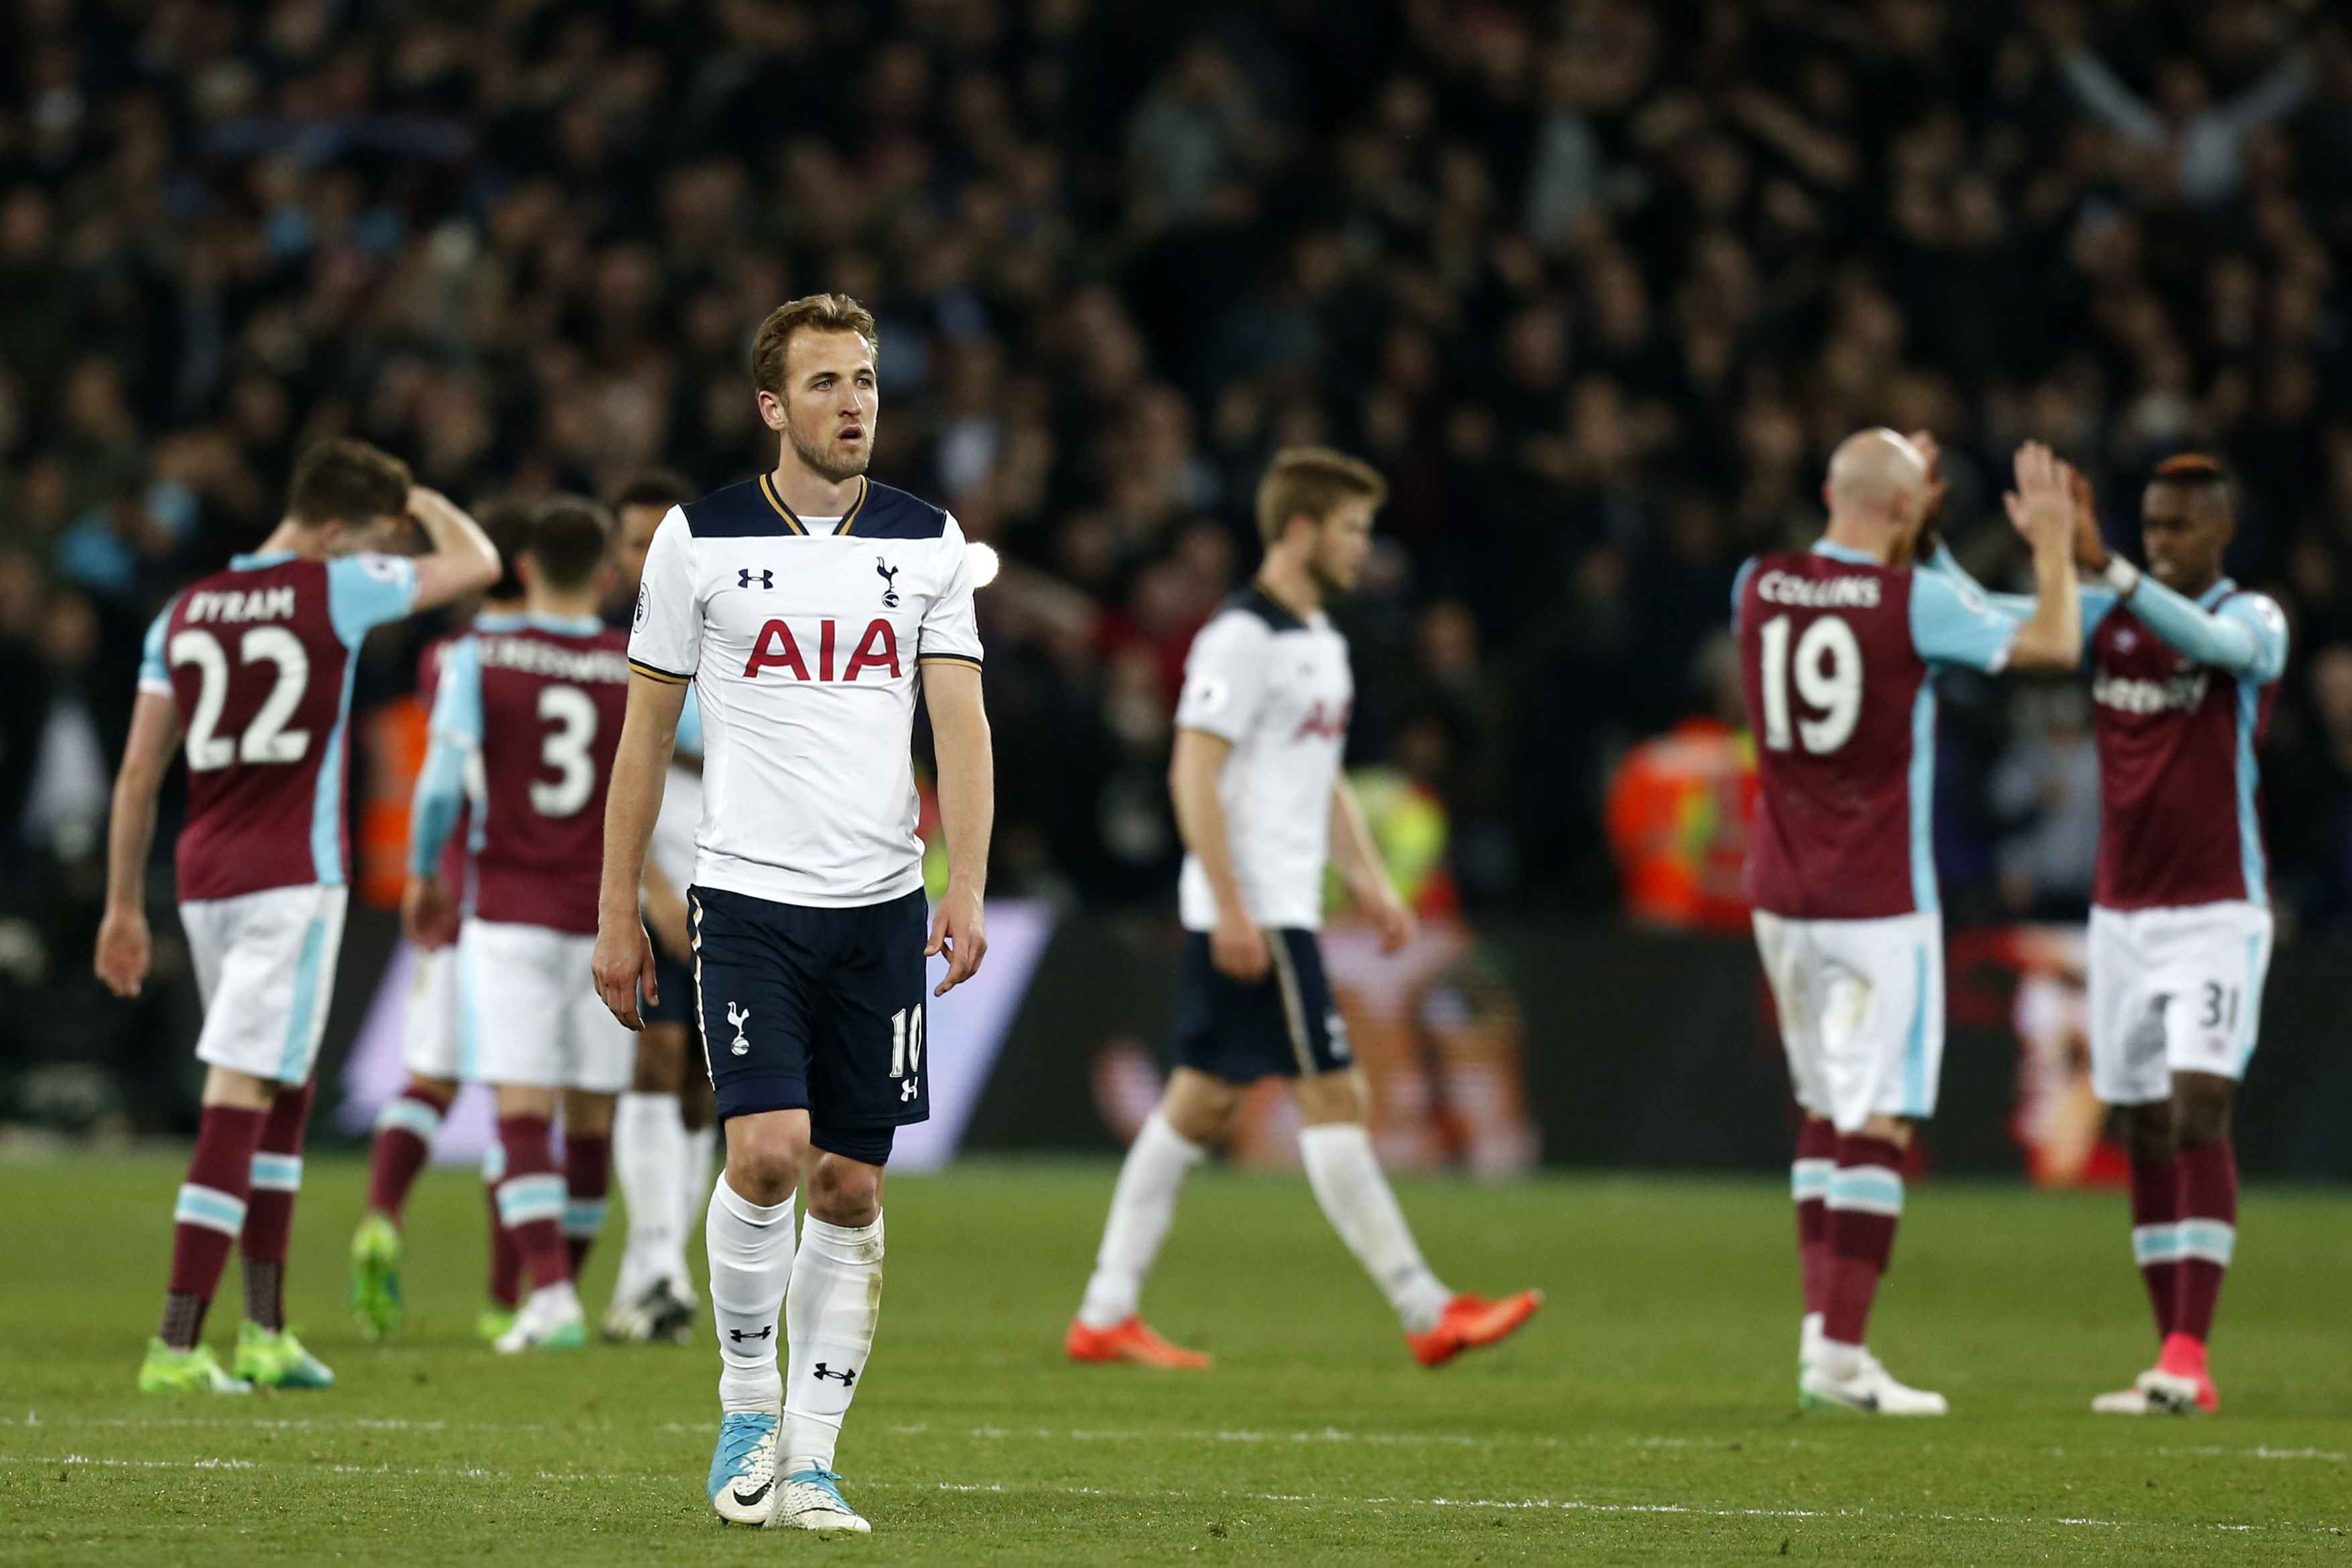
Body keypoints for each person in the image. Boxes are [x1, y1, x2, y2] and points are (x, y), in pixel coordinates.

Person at [592, 293, 993, 1534]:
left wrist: (964, 881)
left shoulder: (929, 543)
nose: (854, 403)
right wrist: (616, 909)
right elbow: (645, 737)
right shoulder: (695, 543)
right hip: (748, 899)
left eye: (866, 380)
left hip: (879, 909)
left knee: (851, 1192)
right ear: (774, 406)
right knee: (765, 1154)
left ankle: (814, 1460)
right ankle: (749, 1401)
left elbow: (962, 724)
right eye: (826, 384)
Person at [1065, 446, 1543, 1373]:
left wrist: (1368, 880)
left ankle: (1105, 1311)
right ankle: (1425, 1308)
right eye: (1353, 528)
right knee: (1335, 1094)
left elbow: (1314, 777)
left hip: (1288, 907)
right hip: (1257, 914)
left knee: (1197, 1104)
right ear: (1298, 529)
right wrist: (1235, 907)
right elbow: (1190, 771)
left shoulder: (1322, 642)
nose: (1365, 548)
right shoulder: (1239, 637)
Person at [98, 438, 501, 1393]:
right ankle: (176, 1343)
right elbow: (480, 562)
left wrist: (122, 903)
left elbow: (138, 773)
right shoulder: (336, 584)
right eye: (370, 536)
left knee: (282, 1092)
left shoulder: (182, 611)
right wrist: (427, 498)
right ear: (332, 532)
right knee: (243, 1093)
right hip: (294, 877)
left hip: (204, 878)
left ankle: (265, 1332)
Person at [1738, 432, 2082, 1416]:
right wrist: (2051, 544)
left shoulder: (1755, 583)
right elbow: (2052, 640)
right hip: (1877, 896)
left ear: (1824, 492)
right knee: (1878, 1116)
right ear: (1910, 511)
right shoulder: (1913, 602)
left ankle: (1820, 1343)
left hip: (1779, 890)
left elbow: (1856, 577)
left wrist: (1902, 512)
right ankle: (1842, 1359)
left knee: (1821, 1109)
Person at [1937, 457, 2288, 1413]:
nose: (2163, 541)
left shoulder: (2253, 620)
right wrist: (1921, 544)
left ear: (2221, 532)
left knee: (2198, 1106)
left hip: (2216, 914)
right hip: (2120, 919)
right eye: (2152, 526)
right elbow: (1986, 614)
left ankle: (2187, 1350)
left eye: (2180, 527)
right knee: (2137, 1123)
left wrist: (2112, 569)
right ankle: (2166, 1357)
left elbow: (2215, 645)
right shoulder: (2108, 621)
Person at [405, 498, 635, 1354]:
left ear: (527, 567)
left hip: (506, 910)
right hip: (603, 917)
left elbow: (438, 783)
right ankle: (563, 1290)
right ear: (608, 576)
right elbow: (699, 745)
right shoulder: (631, 662)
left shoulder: (480, 655)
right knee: (590, 1118)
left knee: (521, 1106)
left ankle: (550, 1299)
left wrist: (426, 873)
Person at [350, 499, 531, 1343]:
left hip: (455, 891)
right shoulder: (572, 658)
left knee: (428, 1077)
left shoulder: (446, 658)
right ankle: (504, 1296)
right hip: (534, 903)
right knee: (520, 1102)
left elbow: (444, 778)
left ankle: (383, 1212)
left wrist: (424, 875)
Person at [602, 469, 722, 1344]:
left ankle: (654, 1275)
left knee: (705, 1084)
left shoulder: (729, 636)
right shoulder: (613, 655)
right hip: (648, 872)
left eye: (658, 540)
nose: (646, 558)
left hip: (727, 868)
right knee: (657, 1058)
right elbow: (618, 783)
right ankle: (657, 1266)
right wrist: (642, 895)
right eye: (632, 541)